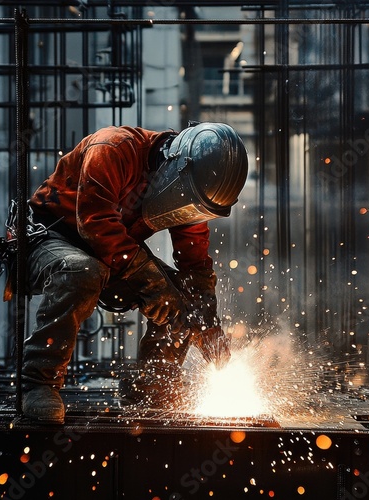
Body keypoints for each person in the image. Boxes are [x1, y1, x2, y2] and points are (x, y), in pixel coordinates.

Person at [21, 121, 248, 423]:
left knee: (183, 301)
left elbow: (194, 266)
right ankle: (39, 384)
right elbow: (94, 222)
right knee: (82, 270)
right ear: (174, 165)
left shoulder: (187, 191)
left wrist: (207, 319)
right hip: (53, 237)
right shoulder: (113, 148)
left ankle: (155, 388)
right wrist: (154, 286)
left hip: (108, 253)